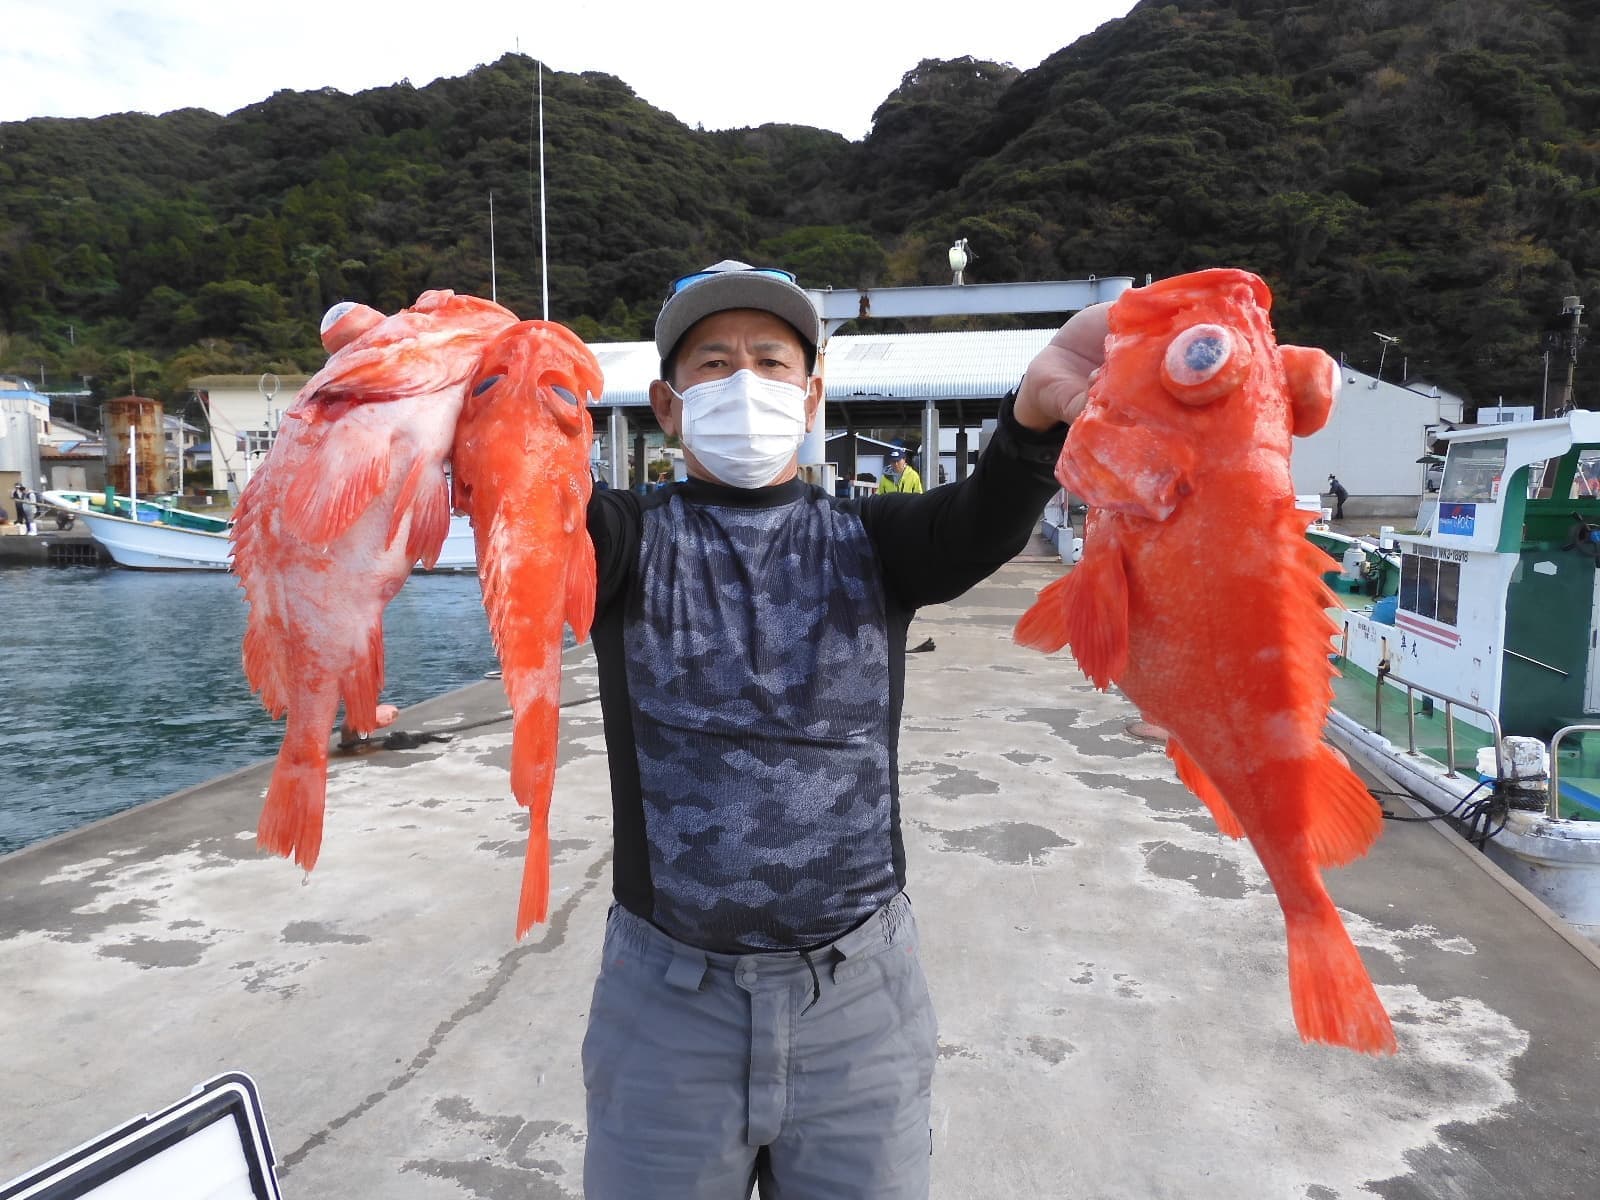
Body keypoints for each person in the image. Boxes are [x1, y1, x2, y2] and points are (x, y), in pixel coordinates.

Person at [578, 258, 1106, 1200]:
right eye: (713, 363)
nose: (745, 381)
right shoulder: (620, 541)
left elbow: (979, 523)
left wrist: (1033, 419)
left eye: (771, 361)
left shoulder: (872, 540)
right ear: (666, 406)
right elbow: (528, 509)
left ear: (811, 396)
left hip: (858, 999)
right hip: (666, 1005)